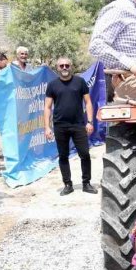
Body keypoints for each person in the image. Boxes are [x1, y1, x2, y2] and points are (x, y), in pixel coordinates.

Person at [44, 57, 96, 195]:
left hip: (78, 125)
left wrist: (90, 122)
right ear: (57, 68)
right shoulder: (52, 85)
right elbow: (47, 107)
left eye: (67, 65)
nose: (65, 68)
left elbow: (88, 102)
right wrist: (47, 127)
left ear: (71, 67)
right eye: (61, 66)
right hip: (60, 126)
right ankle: (67, 184)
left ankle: (86, 183)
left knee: (84, 154)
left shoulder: (80, 82)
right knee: (63, 156)